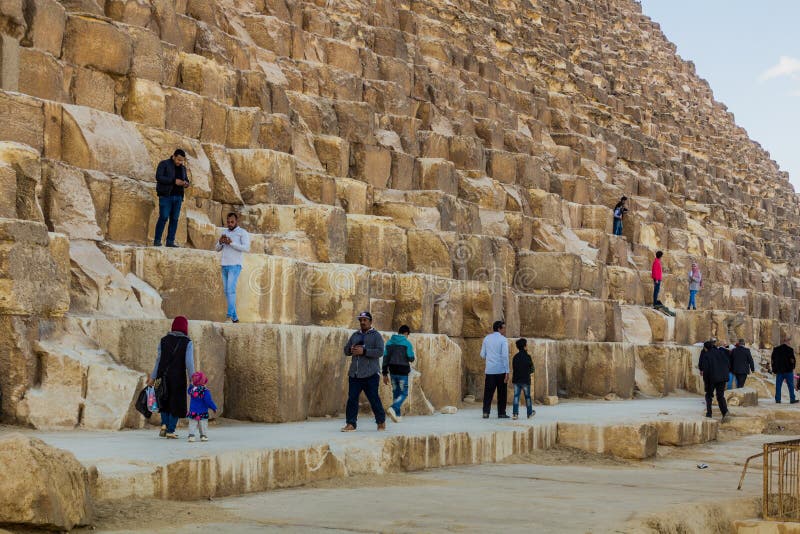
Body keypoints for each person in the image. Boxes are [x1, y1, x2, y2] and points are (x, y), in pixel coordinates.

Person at [147, 316, 195, 438]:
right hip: (177, 377)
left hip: (161, 375)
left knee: (163, 399)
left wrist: (153, 377)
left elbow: (158, 360)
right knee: (175, 402)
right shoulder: (187, 342)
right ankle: (170, 430)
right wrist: (192, 378)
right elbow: (189, 362)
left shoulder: (163, 340)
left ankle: (164, 424)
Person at [342, 311, 386, 432]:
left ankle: (381, 421)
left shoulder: (376, 335)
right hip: (354, 374)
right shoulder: (355, 335)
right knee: (352, 399)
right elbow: (346, 351)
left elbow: (380, 351)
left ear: (370, 321)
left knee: (373, 399)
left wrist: (365, 351)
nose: (362, 322)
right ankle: (351, 424)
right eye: (360, 320)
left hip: (370, 374)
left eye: (365, 320)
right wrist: (350, 350)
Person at [215, 212, 251, 323]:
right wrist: (220, 242)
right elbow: (217, 249)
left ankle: (229, 316)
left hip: (235, 265)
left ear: (236, 222)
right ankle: (235, 318)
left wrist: (232, 243)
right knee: (227, 292)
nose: (230, 224)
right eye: (228, 222)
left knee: (231, 290)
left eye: (232, 222)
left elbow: (246, 248)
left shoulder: (242, 233)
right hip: (224, 265)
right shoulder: (224, 232)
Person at [154, 149, 190, 247]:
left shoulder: (182, 168)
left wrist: (186, 183)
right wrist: (174, 181)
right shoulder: (164, 163)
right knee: (163, 217)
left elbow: (186, 179)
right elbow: (158, 177)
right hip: (166, 196)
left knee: (174, 219)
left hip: (178, 197)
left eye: (182, 160)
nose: (180, 162)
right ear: (173, 156)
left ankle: (170, 242)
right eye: (178, 159)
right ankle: (157, 241)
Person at [382, 325, 415, 423]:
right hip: (402, 372)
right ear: (406, 333)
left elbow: (385, 359)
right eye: (407, 335)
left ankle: (397, 415)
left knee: (396, 393)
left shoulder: (389, 343)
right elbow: (411, 358)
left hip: (392, 372)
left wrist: (384, 373)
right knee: (404, 393)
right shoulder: (407, 343)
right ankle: (393, 408)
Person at [481, 320, 510, 419]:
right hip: (501, 370)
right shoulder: (503, 340)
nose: (505, 330)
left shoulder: (486, 338)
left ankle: (486, 412)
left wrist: (490, 358)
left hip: (490, 370)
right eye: (504, 328)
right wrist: (507, 371)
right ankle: (501, 413)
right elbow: (505, 356)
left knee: (488, 393)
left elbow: (482, 355)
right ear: (499, 329)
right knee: (502, 393)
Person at [698, 340, 730, 421]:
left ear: (705, 348)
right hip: (722, 378)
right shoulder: (721, 352)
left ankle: (709, 413)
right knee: (720, 396)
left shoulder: (707, 355)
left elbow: (706, 370)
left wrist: (706, 382)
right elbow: (727, 363)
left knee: (708, 395)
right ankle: (725, 412)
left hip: (712, 378)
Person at [187, 371, 217, 442]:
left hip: (193, 411)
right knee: (203, 424)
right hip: (202, 411)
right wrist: (214, 407)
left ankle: (191, 436)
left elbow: (188, 391)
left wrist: (191, 385)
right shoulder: (205, 391)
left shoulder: (192, 390)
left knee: (192, 424)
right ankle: (203, 435)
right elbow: (208, 401)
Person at [511, 338, 535, 420]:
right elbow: (532, 369)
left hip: (516, 380)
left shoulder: (515, 357)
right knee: (527, 397)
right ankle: (529, 413)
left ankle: (515, 414)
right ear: (524, 346)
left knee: (516, 396)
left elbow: (514, 368)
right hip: (525, 380)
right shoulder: (528, 357)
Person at [771, 338, 798, 404]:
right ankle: (792, 399)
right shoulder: (790, 349)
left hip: (779, 371)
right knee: (790, 385)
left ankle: (778, 399)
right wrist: (792, 367)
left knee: (778, 385)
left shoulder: (776, 349)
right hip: (788, 371)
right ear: (786, 341)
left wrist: (774, 369)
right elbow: (792, 360)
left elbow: (772, 361)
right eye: (788, 341)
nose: (789, 343)